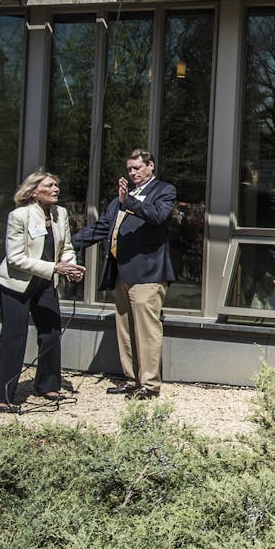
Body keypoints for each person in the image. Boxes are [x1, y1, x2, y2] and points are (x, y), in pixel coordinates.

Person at [73, 149, 177, 400]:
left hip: (149, 274)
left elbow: (158, 216)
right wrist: (67, 244)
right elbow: (101, 228)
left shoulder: (163, 190)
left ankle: (150, 385)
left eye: (137, 168)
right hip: (122, 272)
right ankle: (131, 379)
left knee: (147, 330)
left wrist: (128, 202)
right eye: (129, 169)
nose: (133, 173)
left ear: (150, 166)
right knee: (125, 329)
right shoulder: (121, 198)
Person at [0, 171, 86, 412]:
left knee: (51, 332)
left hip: (45, 283)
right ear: (33, 191)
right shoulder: (19, 216)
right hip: (16, 284)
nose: (55, 189)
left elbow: (67, 247)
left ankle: (47, 385)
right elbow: (16, 258)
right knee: (14, 337)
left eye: (56, 185)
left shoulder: (60, 213)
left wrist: (69, 266)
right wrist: (55, 267)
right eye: (49, 185)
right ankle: (0, 397)